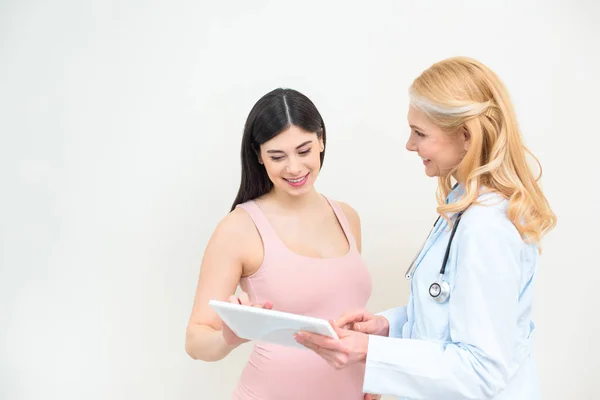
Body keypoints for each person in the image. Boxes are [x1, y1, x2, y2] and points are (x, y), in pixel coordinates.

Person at [294, 56, 557, 399]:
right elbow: (451, 314)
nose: (409, 144)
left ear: (466, 135)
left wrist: (369, 352)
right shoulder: (465, 205)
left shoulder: (487, 227)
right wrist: (389, 326)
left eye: (420, 133)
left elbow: (482, 369)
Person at [185, 88, 375, 399]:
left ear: (321, 141)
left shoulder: (347, 217)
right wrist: (228, 338)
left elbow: (351, 317)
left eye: (304, 150)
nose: (295, 168)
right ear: (258, 155)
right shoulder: (240, 228)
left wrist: (372, 372)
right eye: (277, 156)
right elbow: (195, 340)